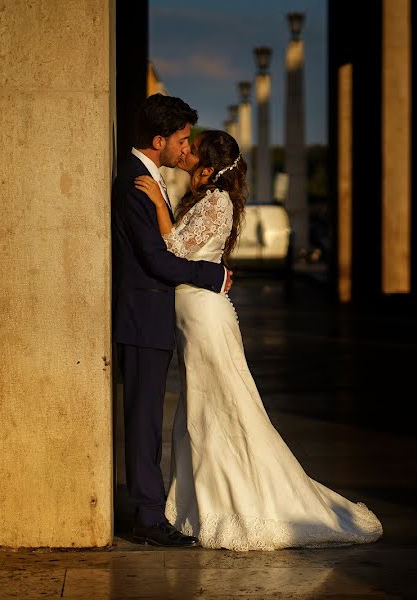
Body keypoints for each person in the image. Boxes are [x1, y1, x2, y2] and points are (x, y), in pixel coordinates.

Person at [134, 130, 383, 551]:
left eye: (192, 150)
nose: (185, 152)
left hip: (205, 317)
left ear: (209, 168)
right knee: (201, 409)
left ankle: (235, 504)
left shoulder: (216, 202)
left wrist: (158, 204)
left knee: (222, 407)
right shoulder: (209, 200)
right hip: (194, 315)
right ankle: (202, 501)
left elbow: (173, 249)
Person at [112, 94, 233, 547]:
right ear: (159, 140)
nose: (186, 148)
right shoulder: (133, 183)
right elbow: (156, 260)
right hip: (143, 316)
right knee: (144, 421)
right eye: (182, 139)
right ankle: (147, 517)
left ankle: (153, 508)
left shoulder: (150, 178)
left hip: (155, 316)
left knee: (150, 419)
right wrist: (213, 274)